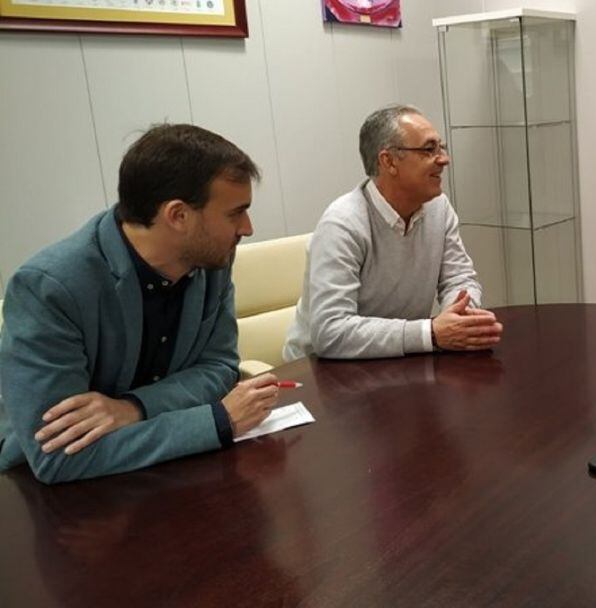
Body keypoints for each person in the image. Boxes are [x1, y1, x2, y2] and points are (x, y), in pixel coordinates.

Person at [0, 124, 280, 484]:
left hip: (173, 477)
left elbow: (220, 366)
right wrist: (215, 422)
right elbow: (59, 456)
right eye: (234, 213)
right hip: (53, 501)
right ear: (178, 215)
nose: (247, 228)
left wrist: (133, 409)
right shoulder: (49, 289)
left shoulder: (210, 261)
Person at [283, 104, 502, 361]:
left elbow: (459, 278)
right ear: (388, 161)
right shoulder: (342, 224)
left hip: (397, 359)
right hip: (320, 373)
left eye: (441, 147)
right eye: (429, 149)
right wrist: (430, 333)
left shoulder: (438, 207)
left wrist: (459, 316)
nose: (444, 159)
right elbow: (331, 332)